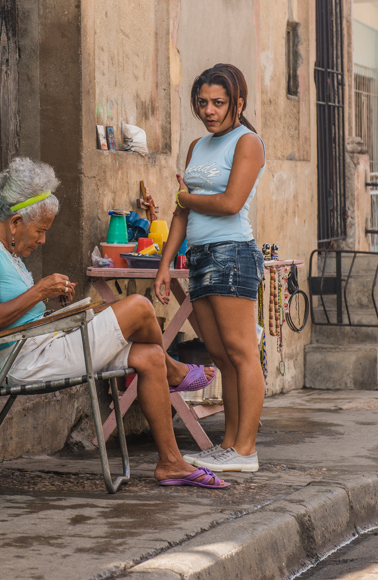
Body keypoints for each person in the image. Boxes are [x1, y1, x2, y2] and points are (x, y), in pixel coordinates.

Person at [0, 157, 227, 489]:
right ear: (15, 222)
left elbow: (17, 311)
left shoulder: (7, 251)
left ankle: (171, 462)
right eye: (40, 231)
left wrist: (49, 301)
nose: (42, 241)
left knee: (149, 356)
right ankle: (176, 372)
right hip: (26, 360)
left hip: (45, 343)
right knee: (141, 307)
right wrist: (39, 289)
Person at [155, 63, 266, 473]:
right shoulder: (197, 147)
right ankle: (228, 445)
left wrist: (187, 199)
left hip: (232, 252)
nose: (209, 110)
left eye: (218, 103)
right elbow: (179, 211)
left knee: (241, 352)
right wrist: (166, 264)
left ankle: (245, 450)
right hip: (199, 256)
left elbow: (230, 203)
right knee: (220, 354)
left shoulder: (247, 142)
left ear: (238, 102)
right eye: (202, 103)